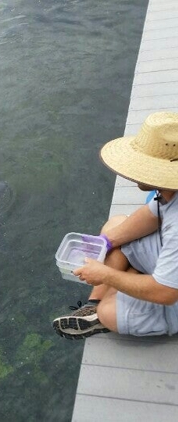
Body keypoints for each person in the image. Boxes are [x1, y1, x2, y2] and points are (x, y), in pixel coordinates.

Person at [53, 111, 178, 339]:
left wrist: (107, 275)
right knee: (117, 226)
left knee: (109, 312)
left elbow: (167, 293)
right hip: (168, 263)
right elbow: (152, 215)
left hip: (171, 293)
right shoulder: (171, 190)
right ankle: (93, 304)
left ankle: (101, 309)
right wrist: (106, 242)